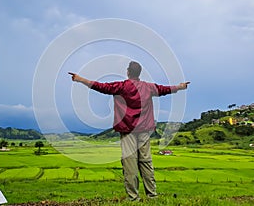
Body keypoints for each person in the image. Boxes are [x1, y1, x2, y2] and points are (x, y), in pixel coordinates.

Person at [68, 61, 189, 201]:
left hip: (127, 131)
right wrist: (180, 87)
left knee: (130, 164)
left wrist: (80, 79)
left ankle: (133, 198)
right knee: (146, 162)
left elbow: (100, 87)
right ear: (139, 73)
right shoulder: (148, 87)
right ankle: (152, 196)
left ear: (128, 72)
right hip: (144, 130)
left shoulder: (120, 86)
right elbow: (165, 89)